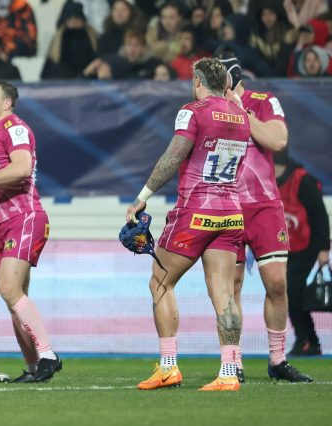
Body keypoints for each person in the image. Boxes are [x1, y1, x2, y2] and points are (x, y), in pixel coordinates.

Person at [125, 58, 251, 392]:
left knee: (160, 282)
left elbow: (174, 155)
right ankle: (229, 372)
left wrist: (142, 197)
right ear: (225, 84)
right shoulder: (241, 115)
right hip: (231, 211)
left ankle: (168, 367)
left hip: (195, 210)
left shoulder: (192, 111)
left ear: (197, 81)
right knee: (225, 294)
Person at [218, 52, 313, 383]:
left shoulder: (263, 101)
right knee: (230, 285)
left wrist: (240, 111)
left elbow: (278, 140)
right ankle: (233, 362)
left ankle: (277, 360)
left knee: (276, 282)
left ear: (232, 77)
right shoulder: (210, 107)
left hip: (263, 206)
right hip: (226, 204)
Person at [0, 80, 61, 383]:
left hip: (22, 217)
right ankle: (35, 366)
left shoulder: (14, 128)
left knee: (10, 290)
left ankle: (48, 355)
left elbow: (23, 168)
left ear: (7, 103)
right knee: (14, 299)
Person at [274, 150, 329, 356]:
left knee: (292, 290)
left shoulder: (302, 180)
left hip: (306, 246)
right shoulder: (267, 181)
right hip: (283, 247)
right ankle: (308, 340)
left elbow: (320, 215)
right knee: (289, 292)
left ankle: (307, 340)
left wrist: (323, 249)